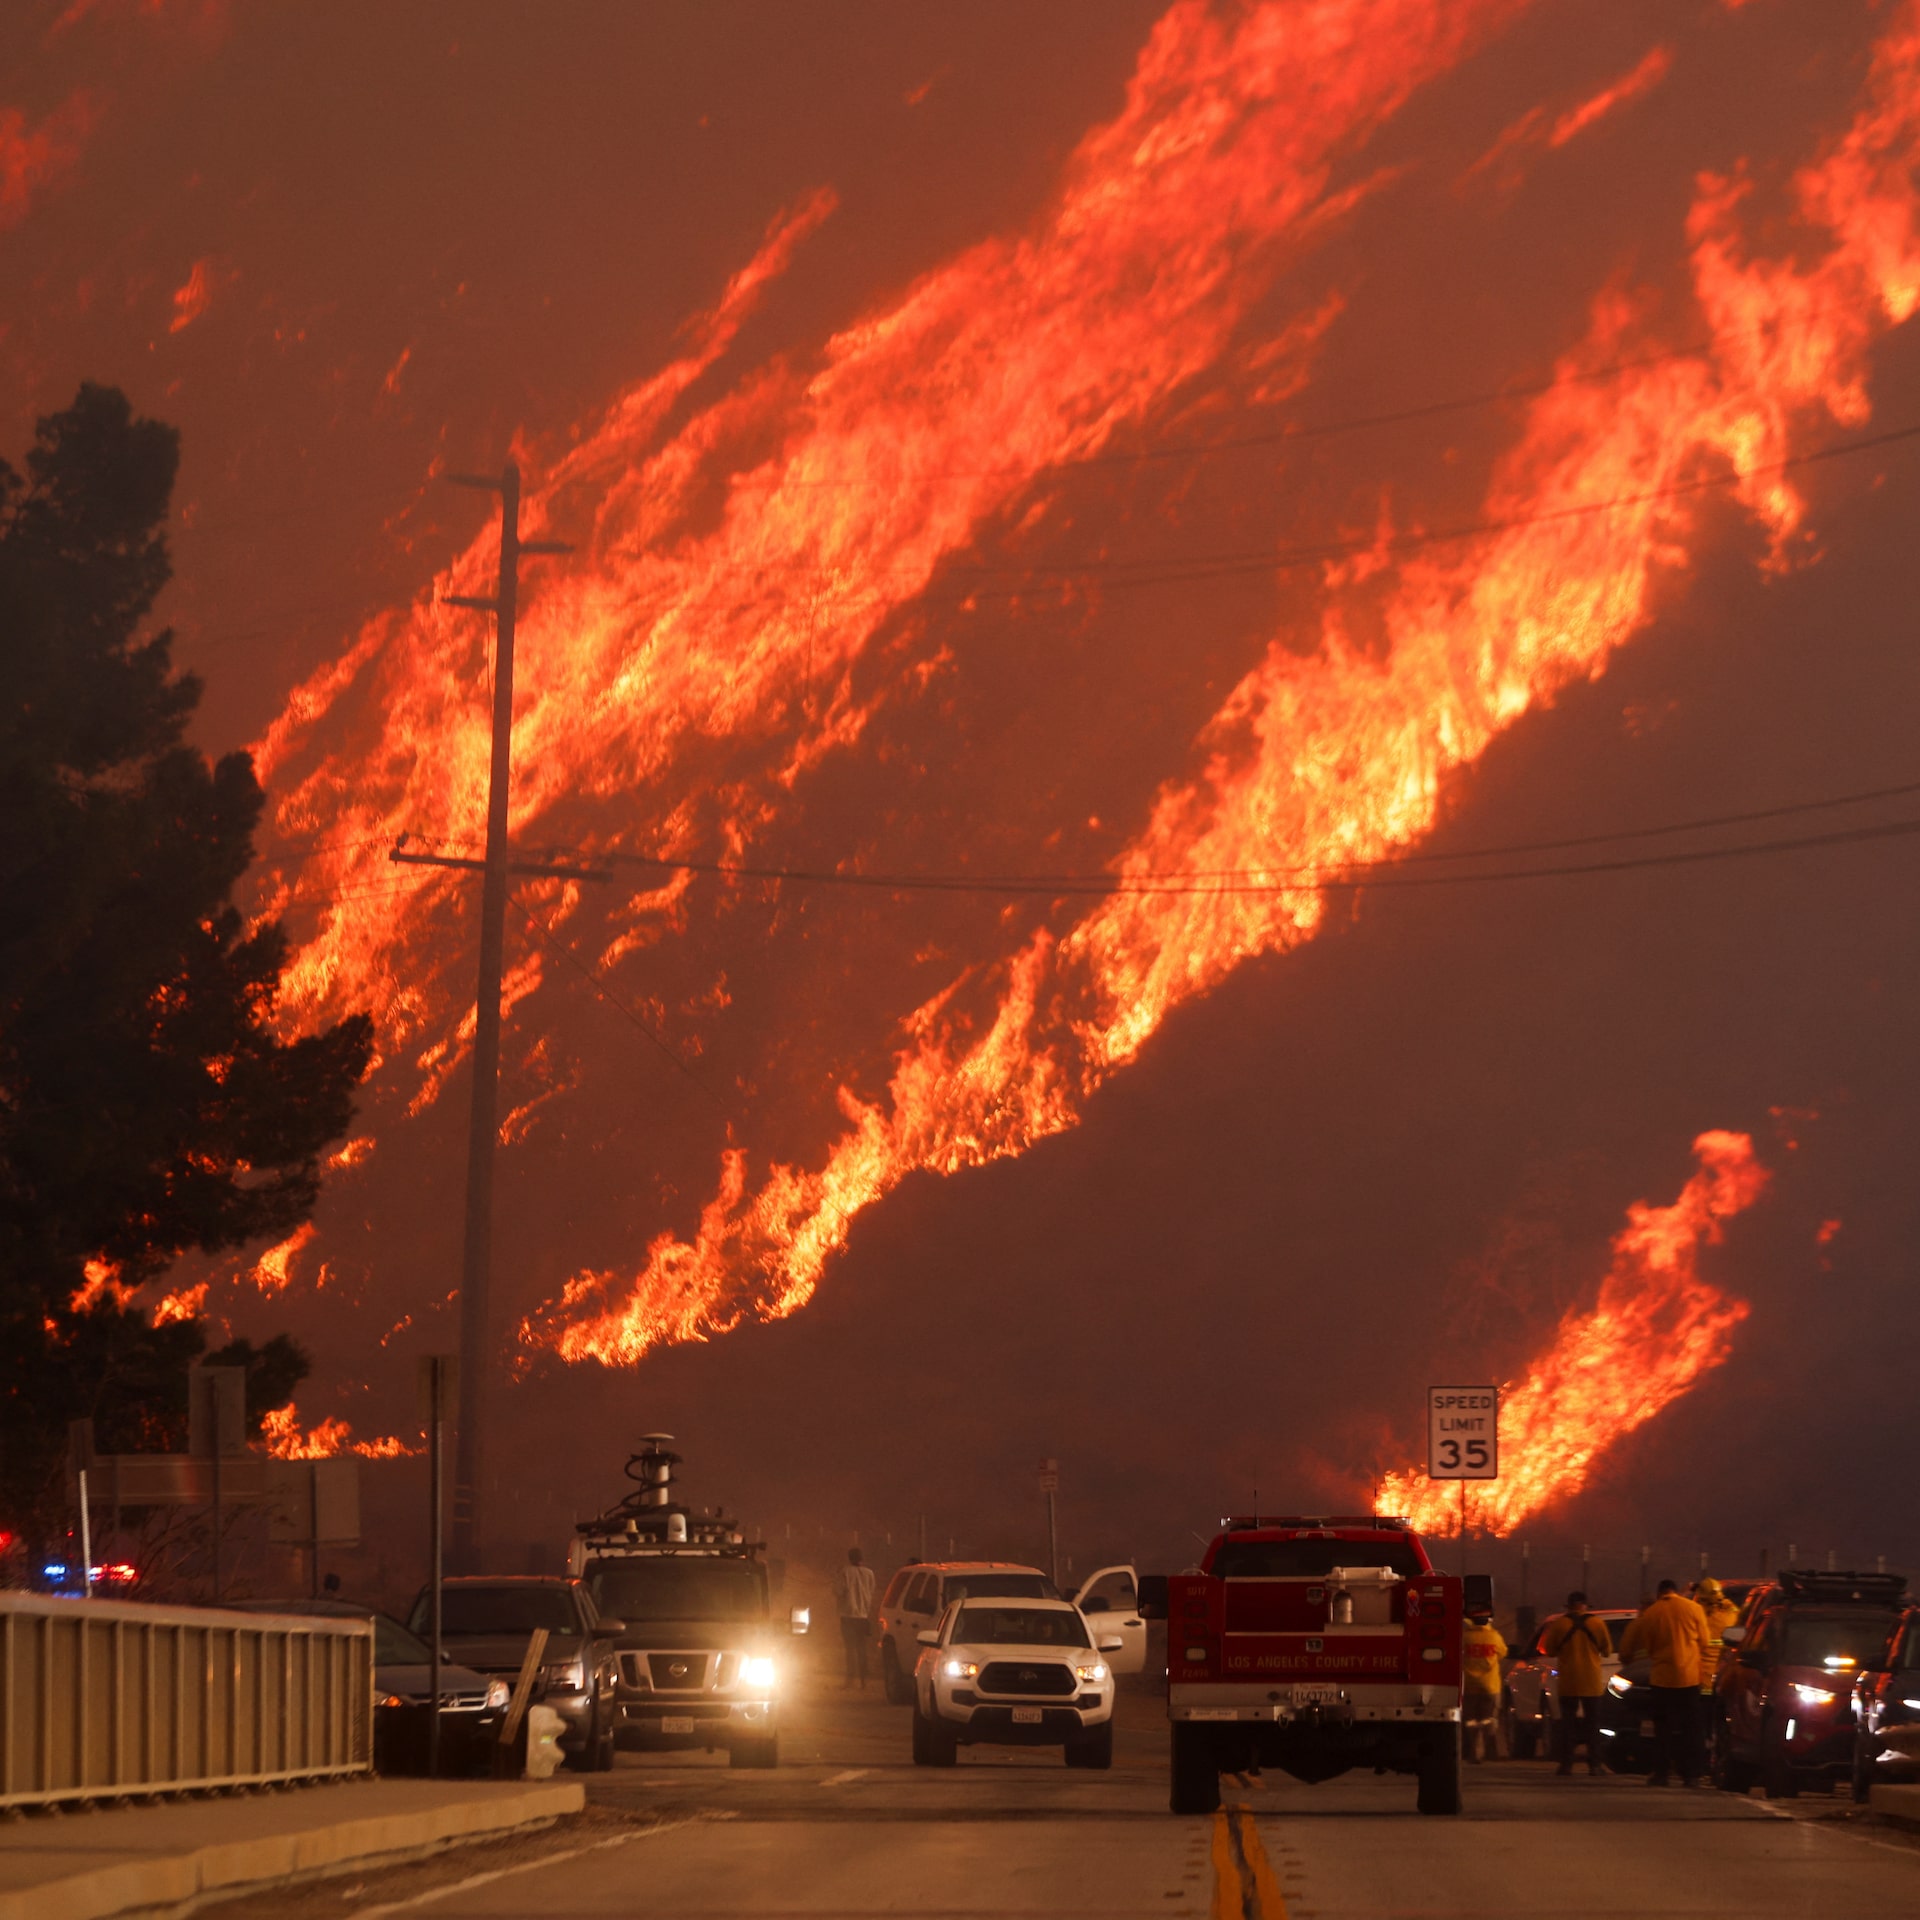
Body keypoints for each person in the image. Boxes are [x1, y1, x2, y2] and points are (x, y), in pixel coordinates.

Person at [1622, 1578, 1710, 1786]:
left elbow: (1650, 1647)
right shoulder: (1694, 1608)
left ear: (1659, 1593)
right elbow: (1705, 1642)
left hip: (1662, 1679)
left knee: (1663, 1729)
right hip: (1689, 1678)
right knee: (1691, 1728)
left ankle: (1661, 1773)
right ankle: (1691, 1775)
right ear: (1675, 1591)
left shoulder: (1651, 1613)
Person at [1540, 1591, 1612, 1775]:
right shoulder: (1597, 1623)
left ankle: (1566, 1764)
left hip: (1569, 1681)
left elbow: (1550, 1650)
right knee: (1593, 1724)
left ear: (1569, 1606)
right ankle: (1595, 1765)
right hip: (1591, 1681)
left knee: (1568, 1725)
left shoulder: (1560, 1624)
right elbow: (1607, 1650)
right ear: (1585, 1605)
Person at [1461, 1610, 1507, 1762]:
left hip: (1469, 1685)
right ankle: (1490, 1752)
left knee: (1471, 1720)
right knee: (1489, 1718)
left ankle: (1473, 1753)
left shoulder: (1465, 1637)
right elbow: (1503, 1653)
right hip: (1490, 1685)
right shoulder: (1494, 1636)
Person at [832, 1546, 876, 1690]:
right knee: (862, 1648)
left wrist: (836, 1575)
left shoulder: (845, 1572)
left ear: (849, 1558)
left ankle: (849, 1680)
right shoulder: (869, 1573)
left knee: (850, 1649)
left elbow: (838, 1591)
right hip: (863, 1616)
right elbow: (871, 1591)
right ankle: (864, 1681)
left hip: (848, 1615)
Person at [1692, 1577, 1741, 1698]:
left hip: (1698, 1678)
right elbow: (1737, 1613)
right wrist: (1724, 1601)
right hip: (1720, 1677)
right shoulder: (1729, 1616)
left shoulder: (1695, 1617)